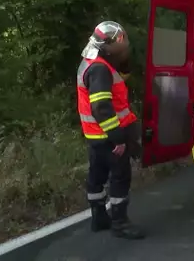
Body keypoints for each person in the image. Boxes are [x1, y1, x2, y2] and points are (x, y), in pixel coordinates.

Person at [76, 21, 145, 239]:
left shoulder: (90, 62)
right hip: (109, 135)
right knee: (120, 178)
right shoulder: (100, 69)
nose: (124, 48)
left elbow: (119, 78)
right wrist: (118, 138)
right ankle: (120, 222)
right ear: (110, 44)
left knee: (96, 176)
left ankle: (99, 218)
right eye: (121, 44)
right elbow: (101, 107)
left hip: (94, 135)